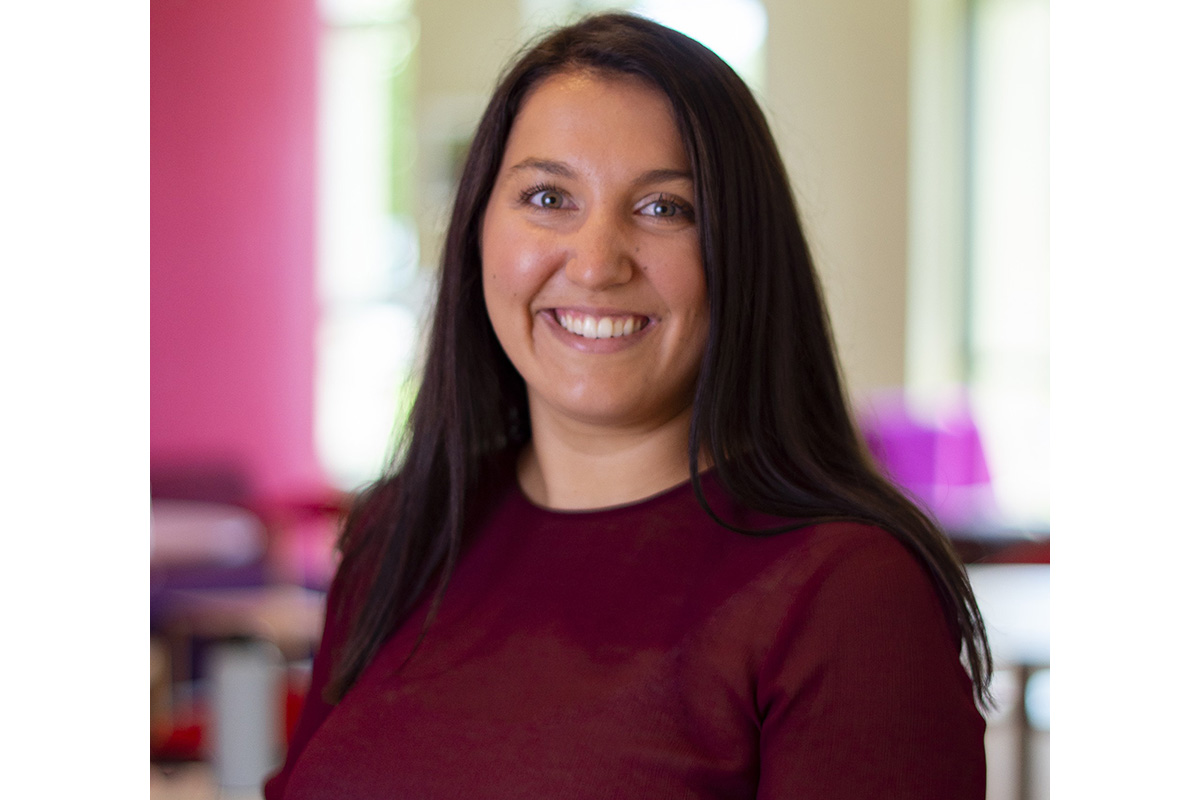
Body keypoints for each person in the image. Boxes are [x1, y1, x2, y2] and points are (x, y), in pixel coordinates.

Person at [266, 12, 990, 799]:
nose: (597, 262)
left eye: (663, 208)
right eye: (548, 197)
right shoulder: (402, 533)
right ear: (479, 230)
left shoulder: (847, 596)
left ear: (739, 252)